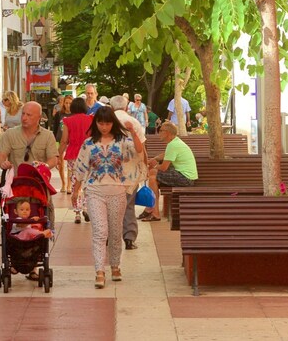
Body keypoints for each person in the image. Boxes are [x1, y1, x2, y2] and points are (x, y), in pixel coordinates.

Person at [71, 106, 146, 289]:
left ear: (113, 123)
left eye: (108, 123)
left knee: (115, 232)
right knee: (100, 232)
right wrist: (76, 190)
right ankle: (99, 271)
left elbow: (138, 151)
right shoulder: (89, 143)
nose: (104, 127)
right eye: (101, 123)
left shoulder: (122, 141)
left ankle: (115, 265)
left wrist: (133, 132)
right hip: (95, 191)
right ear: (96, 123)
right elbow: (80, 167)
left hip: (118, 191)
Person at [109, 94, 146, 250]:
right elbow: (142, 147)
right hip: (130, 170)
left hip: (110, 170)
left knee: (110, 205)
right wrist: (146, 166)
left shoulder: (106, 122)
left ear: (111, 107)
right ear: (126, 107)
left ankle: (109, 237)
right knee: (128, 204)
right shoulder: (134, 122)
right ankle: (129, 238)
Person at [140, 121, 198, 222]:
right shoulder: (175, 142)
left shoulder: (173, 145)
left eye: (161, 130)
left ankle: (154, 211)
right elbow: (166, 154)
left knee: (153, 175)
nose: (159, 133)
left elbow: (163, 168)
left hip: (185, 178)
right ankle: (151, 209)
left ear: (167, 132)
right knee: (153, 177)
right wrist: (154, 159)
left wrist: (154, 165)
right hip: (186, 177)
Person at [0, 101, 60, 171]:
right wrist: (3, 163)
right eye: (23, 114)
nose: (24, 118)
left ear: (39, 117)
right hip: (17, 180)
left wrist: (44, 167)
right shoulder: (10, 134)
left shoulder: (48, 136)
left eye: (29, 115)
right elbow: (1, 154)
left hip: (38, 180)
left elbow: (53, 158)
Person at [59, 97, 93, 223]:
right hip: (88, 154)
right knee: (87, 182)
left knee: (74, 182)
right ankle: (86, 208)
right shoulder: (91, 119)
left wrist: (59, 155)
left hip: (73, 154)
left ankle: (77, 212)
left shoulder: (67, 121)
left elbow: (64, 140)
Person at [49, 95, 73, 189]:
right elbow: (55, 128)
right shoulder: (59, 114)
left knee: (70, 163)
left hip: (71, 140)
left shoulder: (74, 114)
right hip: (60, 139)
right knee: (61, 162)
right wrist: (54, 141)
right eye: (66, 103)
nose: (68, 105)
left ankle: (69, 185)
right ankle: (63, 183)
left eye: (70, 103)